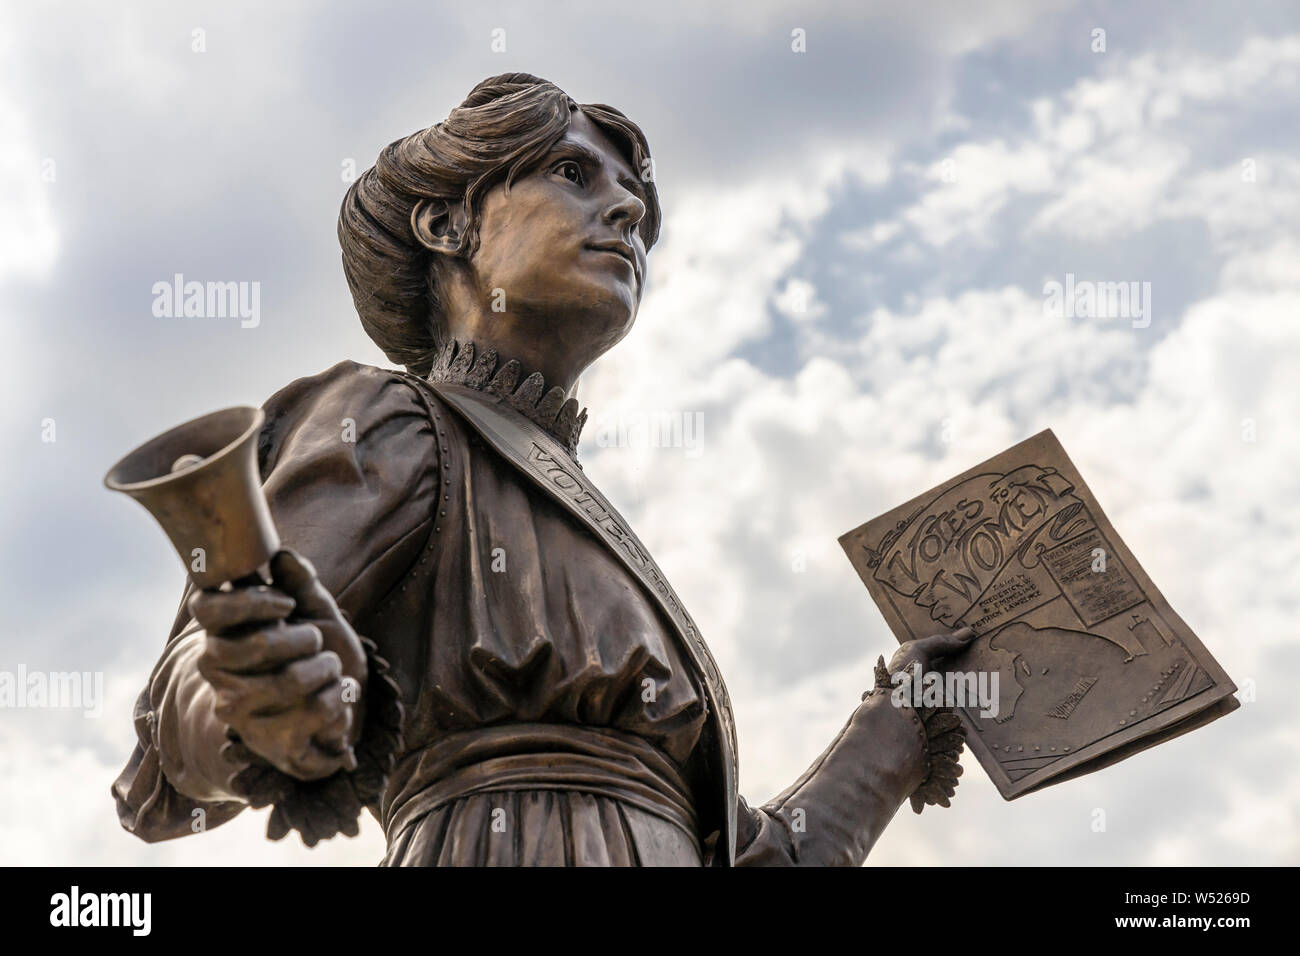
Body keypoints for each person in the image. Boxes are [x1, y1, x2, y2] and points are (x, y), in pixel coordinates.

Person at [112, 73, 972, 866]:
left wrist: (900, 718)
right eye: (574, 174)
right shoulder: (394, 420)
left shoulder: (602, 534)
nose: (628, 211)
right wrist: (248, 691)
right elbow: (176, 741)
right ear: (448, 227)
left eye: (636, 197)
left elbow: (757, 860)